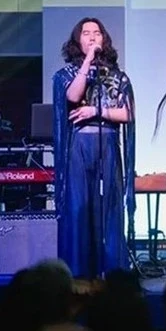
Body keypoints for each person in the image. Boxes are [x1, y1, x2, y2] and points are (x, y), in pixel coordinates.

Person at [52, 17, 136, 279]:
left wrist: (96, 111)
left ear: (104, 39)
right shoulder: (66, 74)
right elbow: (73, 96)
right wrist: (88, 61)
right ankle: (79, 272)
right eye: (86, 33)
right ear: (77, 40)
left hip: (107, 144)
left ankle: (111, 272)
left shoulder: (117, 76)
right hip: (79, 146)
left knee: (109, 207)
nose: (91, 37)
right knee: (79, 207)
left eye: (96, 33)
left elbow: (128, 113)